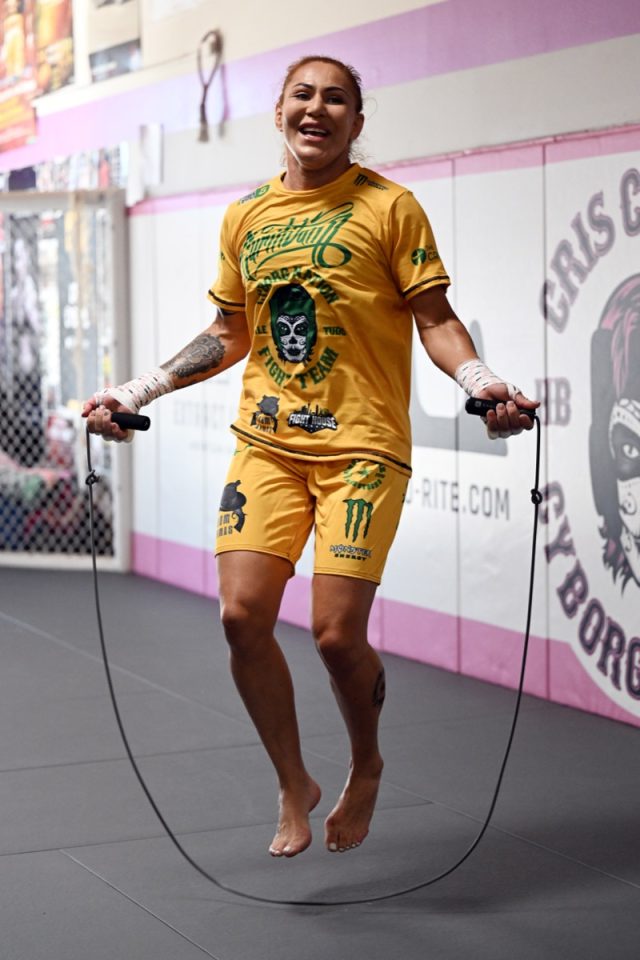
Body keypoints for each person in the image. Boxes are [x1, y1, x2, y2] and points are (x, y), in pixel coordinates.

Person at [83, 56, 539, 859]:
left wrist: (481, 379)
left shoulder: (389, 207)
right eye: (304, 95)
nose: (317, 109)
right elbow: (231, 333)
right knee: (240, 616)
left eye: (337, 99)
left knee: (335, 635)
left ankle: (366, 764)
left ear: (357, 123)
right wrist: (135, 391)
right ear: (280, 111)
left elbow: (434, 317)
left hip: (362, 448)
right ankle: (294, 780)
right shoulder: (247, 216)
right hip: (267, 444)